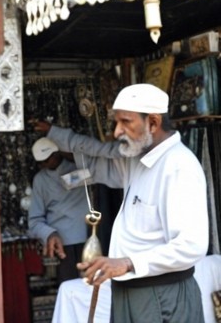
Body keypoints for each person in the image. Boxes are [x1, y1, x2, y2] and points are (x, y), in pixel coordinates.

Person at [35, 83, 208, 322]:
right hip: (130, 290)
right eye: (116, 122)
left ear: (153, 123)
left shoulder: (179, 166)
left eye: (126, 122)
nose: (117, 132)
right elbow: (96, 159)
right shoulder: (136, 160)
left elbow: (191, 246)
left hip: (161, 295)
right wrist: (56, 137)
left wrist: (127, 263)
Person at [28, 137, 90, 284]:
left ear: (57, 154)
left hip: (88, 237)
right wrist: (49, 234)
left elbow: (97, 171)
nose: (44, 165)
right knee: (70, 287)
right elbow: (34, 220)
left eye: (47, 160)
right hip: (62, 244)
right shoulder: (40, 180)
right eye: (40, 162)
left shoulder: (79, 169)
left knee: (93, 286)